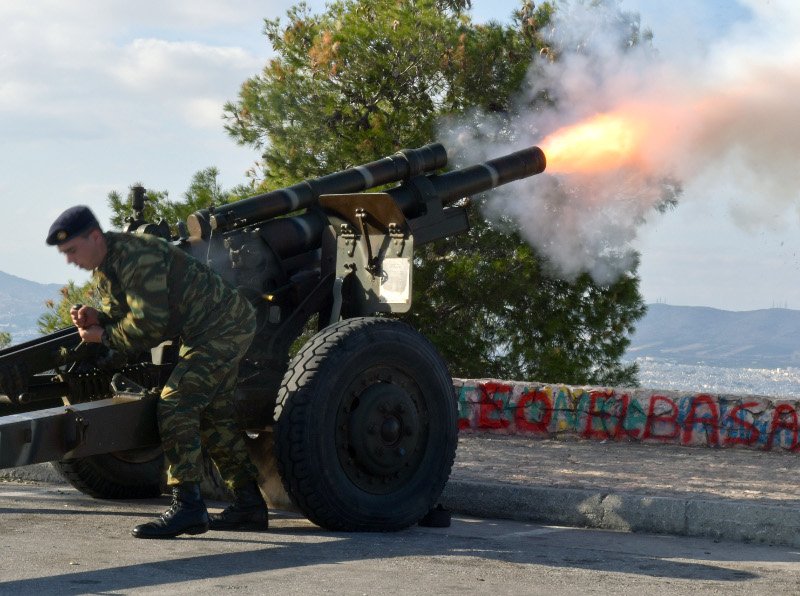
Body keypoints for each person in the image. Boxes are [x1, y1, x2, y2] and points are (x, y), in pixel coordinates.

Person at [46, 205, 269, 539]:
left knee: (176, 404)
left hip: (223, 326)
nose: (70, 260)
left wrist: (103, 336)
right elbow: (125, 314)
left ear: (94, 237)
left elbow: (150, 325)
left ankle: (188, 508)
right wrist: (97, 318)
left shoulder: (138, 256)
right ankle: (249, 505)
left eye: (72, 250)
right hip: (208, 330)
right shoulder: (107, 266)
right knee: (215, 416)